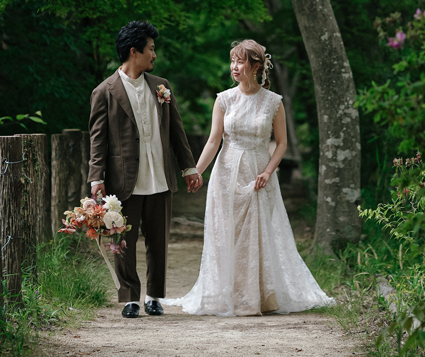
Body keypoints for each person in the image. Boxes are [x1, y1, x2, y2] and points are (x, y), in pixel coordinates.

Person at [166, 39, 333, 316]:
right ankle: (229, 294)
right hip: (226, 173)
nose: (234, 67)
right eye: (232, 61)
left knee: (258, 234)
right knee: (226, 234)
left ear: (256, 66)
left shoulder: (273, 102)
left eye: (240, 61)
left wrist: (268, 171)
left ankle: (259, 297)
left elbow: (281, 143)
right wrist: (196, 170)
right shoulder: (224, 99)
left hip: (258, 174)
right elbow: (213, 141)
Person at [88, 20, 203, 318]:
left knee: (158, 241)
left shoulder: (161, 87)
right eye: (151, 49)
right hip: (124, 181)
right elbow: (97, 140)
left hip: (160, 175)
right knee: (122, 240)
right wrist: (96, 178)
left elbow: (177, 132)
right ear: (134, 51)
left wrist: (189, 167)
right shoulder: (104, 92)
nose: (155, 55)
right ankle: (130, 298)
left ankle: (154, 296)